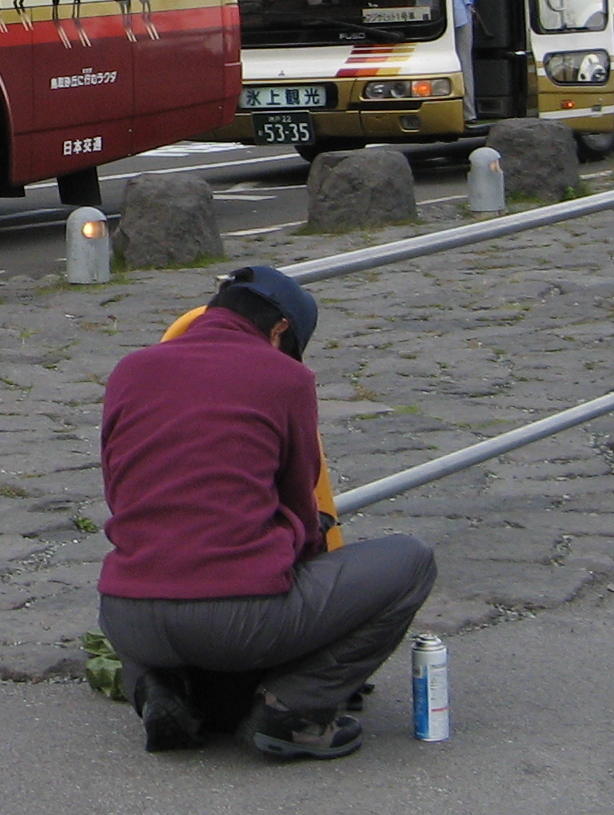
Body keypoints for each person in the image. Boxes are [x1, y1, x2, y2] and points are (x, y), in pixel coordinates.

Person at [98, 266, 437, 760]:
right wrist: (304, 542)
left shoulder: (131, 369)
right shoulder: (285, 377)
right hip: (235, 619)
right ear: (280, 329)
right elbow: (302, 499)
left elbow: (119, 490)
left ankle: (156, 688)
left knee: (157, 581)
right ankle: (291, 712)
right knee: (411, 561)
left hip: (125, 616)